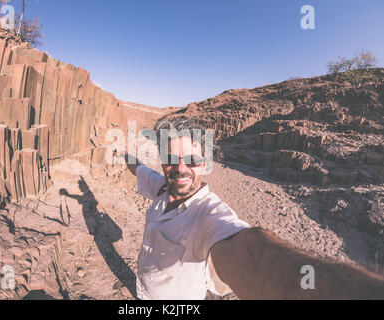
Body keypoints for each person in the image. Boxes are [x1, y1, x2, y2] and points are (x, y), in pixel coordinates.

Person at [122, 116, 384, 300]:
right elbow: (138, 168)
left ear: (205, 163)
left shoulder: (209, 215)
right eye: (171, 159)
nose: (180, 169)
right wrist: (123, 151)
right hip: (142, 292)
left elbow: (247, 250)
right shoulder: (159, 187)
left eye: (192, 160)